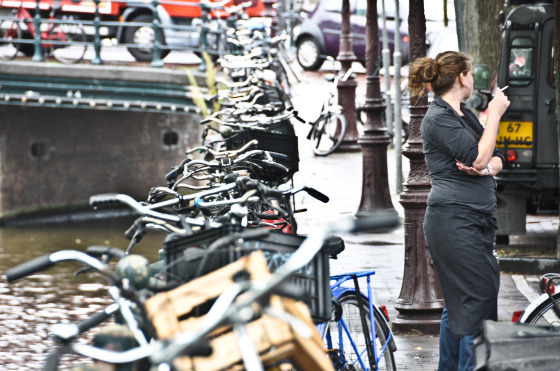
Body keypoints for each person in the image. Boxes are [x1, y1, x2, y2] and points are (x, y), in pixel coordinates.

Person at [407, 51, 510, 371]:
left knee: (462, 305)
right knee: (477, 306)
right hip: (455, 220)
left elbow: (496, 158)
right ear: (462, 78)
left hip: (471, 218)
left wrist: (485, 167)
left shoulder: (460, 114)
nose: (474, 80)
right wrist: (494, 114)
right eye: (471, 74)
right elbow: (480, 156)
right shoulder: (437, 118)